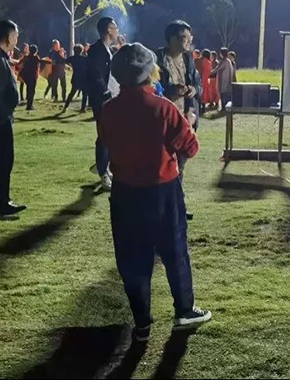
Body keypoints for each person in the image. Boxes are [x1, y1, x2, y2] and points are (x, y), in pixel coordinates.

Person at [99, 42, 211, 342]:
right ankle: (184, 309)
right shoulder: (163, 108)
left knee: (132, 257)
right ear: (150, 72)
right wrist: (189, 123)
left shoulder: (109, 110)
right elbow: (191, 147)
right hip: (162, 190)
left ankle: (142, 323)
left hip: (124, 193)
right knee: (174, 249)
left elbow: (108, 142)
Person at [155, 20, 202, 221]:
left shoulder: (189, 59)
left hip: (185, 119)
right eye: (184, 37)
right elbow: (152, 88)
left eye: (190, 37)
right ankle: (164, 206)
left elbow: (198, 84)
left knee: (180, 165)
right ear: (172, 39)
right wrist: (170, 90)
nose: (189, 41)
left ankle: (177, 205)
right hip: (163, 121)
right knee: (163, 165)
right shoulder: (157, 60)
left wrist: (193, 91)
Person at [0, 20, 26, 217]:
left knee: (2, 161)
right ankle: (1, 204)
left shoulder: (1, 56)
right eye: (16, 35)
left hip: (1, 118)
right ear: (8, 36)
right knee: (2, 161)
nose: (17, 39)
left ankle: (0, 201)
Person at [86, 17, 120, 191]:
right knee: (105, 135)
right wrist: (105, 94)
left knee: (111, 134)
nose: (117, 31)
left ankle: (104, 165)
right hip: (102, 100)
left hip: (111, 98)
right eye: (115, 27)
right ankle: (102, 171)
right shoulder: (97, 50)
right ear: (108, 30)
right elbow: (97, 75)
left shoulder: (108, 50)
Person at [63, 44, 89, 113]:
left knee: (72, 93)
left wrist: (69, 67)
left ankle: (65, 106)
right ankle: (83, 108)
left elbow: (65, 61)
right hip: (83, 78)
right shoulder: (84, 58)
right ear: (81, 50)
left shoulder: (72, 58)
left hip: (75, 77)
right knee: (85, 94)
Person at [20, 45, 41, 111]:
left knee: (29, 89)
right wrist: (49, 62)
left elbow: (20, 62)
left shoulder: (26, 57)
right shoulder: (35, 57)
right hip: (33, 76)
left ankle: (29, 105)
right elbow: (41, 61)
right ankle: (29, 105)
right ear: (36, 51)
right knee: (32, 91)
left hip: (26, 76)